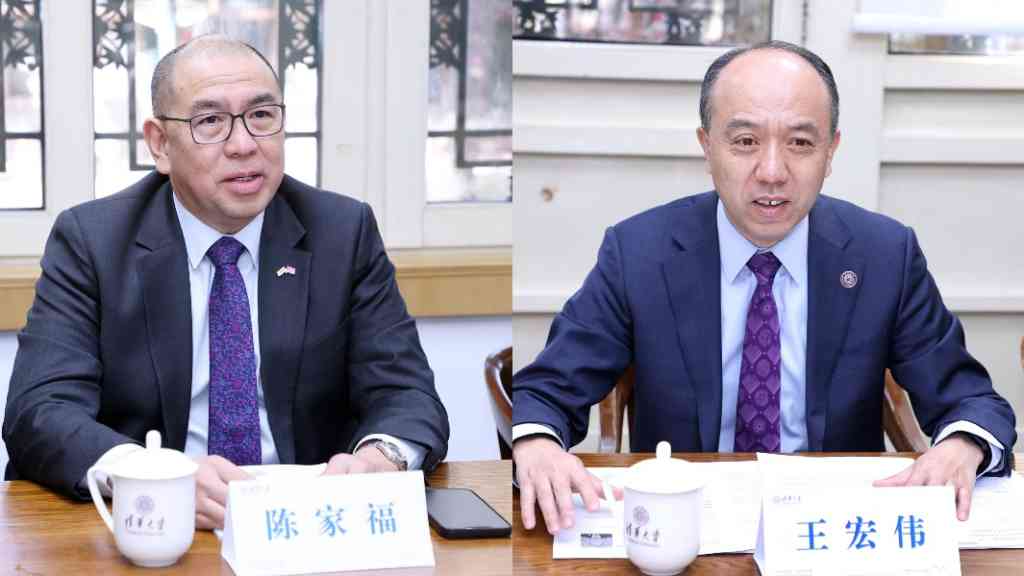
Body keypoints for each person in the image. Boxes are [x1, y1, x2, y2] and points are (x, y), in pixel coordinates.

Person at [512, 40, 1016, 534]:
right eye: (745, 142)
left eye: (800, 143)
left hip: (832, 532)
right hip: (686, 528)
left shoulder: (884, 255)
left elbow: (972, 402)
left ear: (831, 151)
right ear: (707, 147)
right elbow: (547, 390)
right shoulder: (639, 254)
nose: (772, 172)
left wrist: (961, 445)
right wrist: (538, 444)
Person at [2, 36, 449, 530]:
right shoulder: (93, 241)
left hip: (303, 528)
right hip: (150, 529)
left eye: (261, 115)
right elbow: (39, 410)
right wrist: (153, 476)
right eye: (210, 121)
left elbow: (406, 393)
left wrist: (381, 458)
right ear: (160, 144)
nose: (243, 145)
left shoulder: (342, 232)